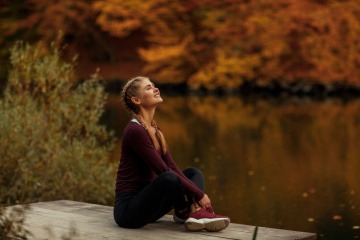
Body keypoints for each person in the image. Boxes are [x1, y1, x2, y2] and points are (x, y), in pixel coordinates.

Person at [113, 76, 230, 231]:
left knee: (193, 173)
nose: (155, 89)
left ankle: (187, 213)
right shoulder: (135, 131)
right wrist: (200, 195)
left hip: (150, 206)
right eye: (148, 88)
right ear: (136, 100)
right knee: (168, 177)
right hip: (128, 212)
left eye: (153, 85)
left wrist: (197, 193)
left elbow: (172, 166)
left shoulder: (156, 130)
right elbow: (163, 170)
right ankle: (191, 212)